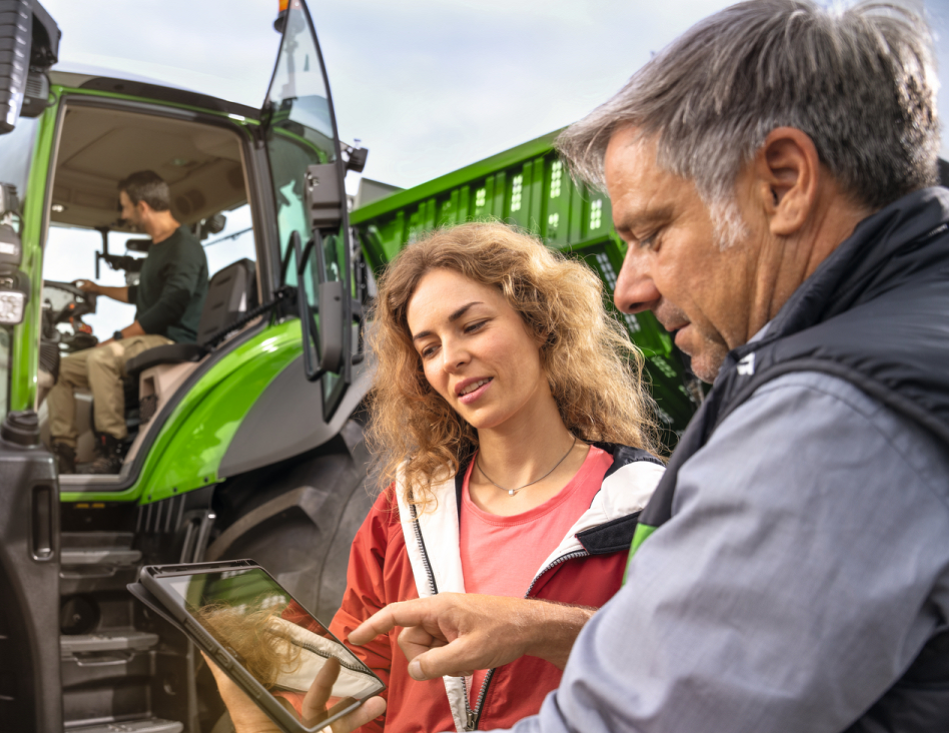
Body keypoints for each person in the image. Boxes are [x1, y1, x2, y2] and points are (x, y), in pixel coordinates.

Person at [342, 1, 949, 731]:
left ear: (784, 183)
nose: (628, 287)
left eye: (653, 233)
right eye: (426, 346)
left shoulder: (832, 416)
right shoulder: (904, 339)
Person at [211, 222, 666, 732]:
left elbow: (683, 670)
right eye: (428, 349)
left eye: (471, 326)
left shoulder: (644, 502)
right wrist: (325, 715)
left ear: (538, 322)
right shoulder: (401, 511)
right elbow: (369, 686)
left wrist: (540, 629)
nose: (451, 358)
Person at [47, 170, 208, 473]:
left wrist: (118, 337)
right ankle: (63, 452)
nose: (124, 215)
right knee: (61, 368)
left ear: (142, 206)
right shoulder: (159, 247)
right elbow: (139, 293)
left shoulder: (184, 247)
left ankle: (113, 449)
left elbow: (170, 306)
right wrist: (98, 289)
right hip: (146, 340)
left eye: (125, 207)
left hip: (172, 340)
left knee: (101, 358)